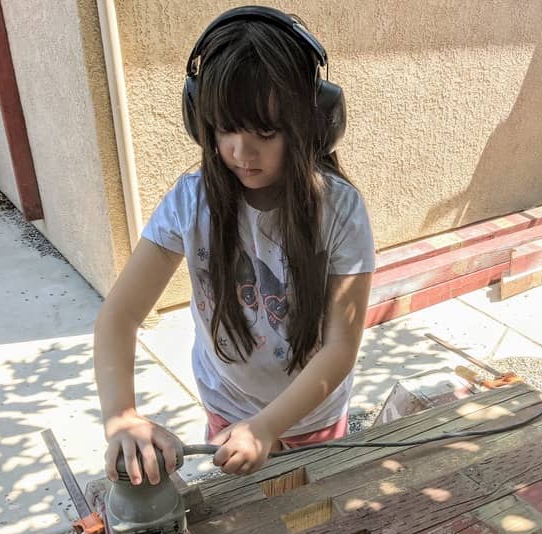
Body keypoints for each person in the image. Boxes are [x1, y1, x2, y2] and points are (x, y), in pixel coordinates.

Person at [94, 6, 375, 487]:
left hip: (313, 418)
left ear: (314, 122)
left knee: (315, 517)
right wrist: (121, 417)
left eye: (266, 132)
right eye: (227, 129)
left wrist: (268, 427)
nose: (243, 153)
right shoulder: (190, 202)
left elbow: (341, 347)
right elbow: (118, 317)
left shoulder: (341, 211)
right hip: (228, 410)